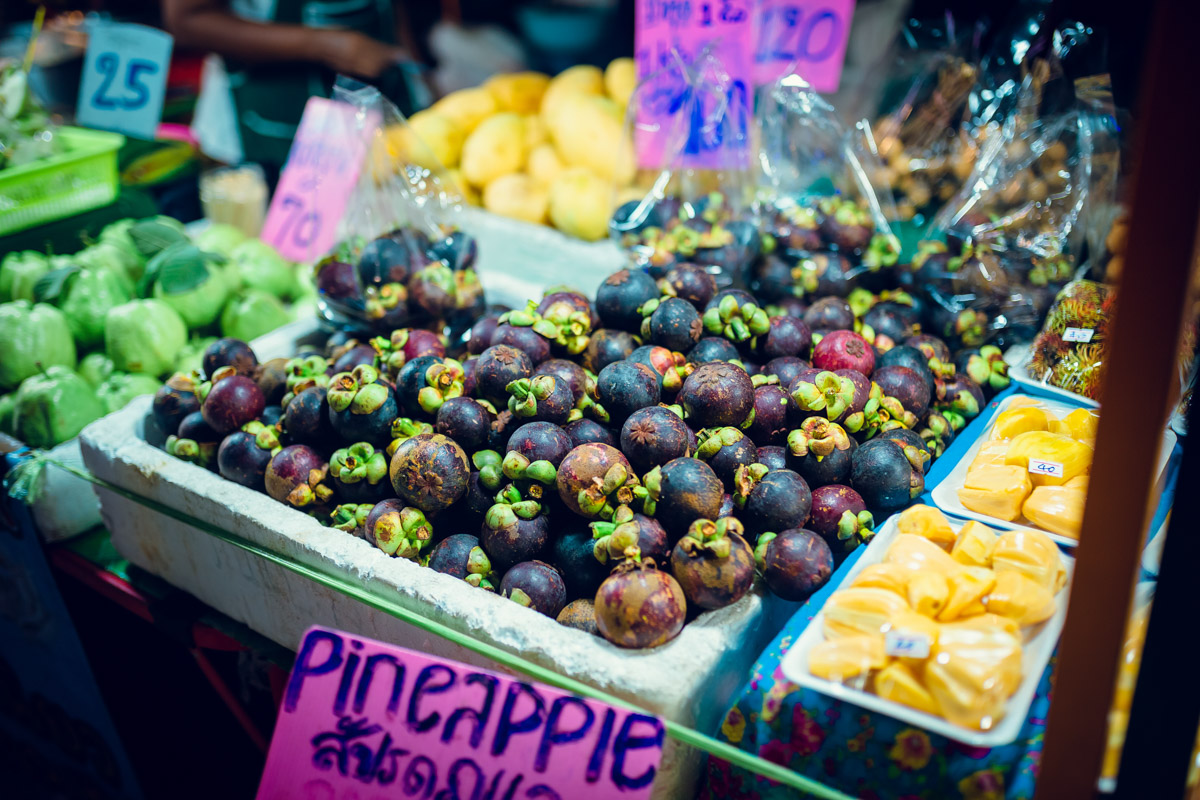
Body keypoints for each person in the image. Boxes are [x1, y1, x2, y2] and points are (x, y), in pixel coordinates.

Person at [163, 0, 425, 170]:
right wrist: (324, 45)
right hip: (264, 122)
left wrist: (422, 74)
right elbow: (187, 20)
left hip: (385, 98)